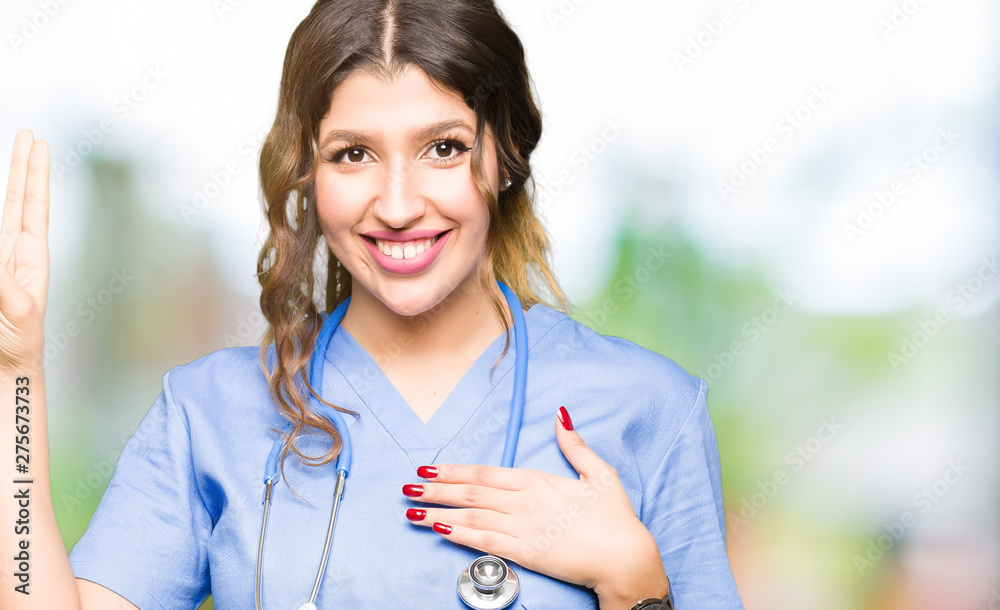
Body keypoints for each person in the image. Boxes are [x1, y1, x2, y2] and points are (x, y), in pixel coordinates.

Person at [0, 0, 744, 608]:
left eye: (444, 148)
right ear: (307, 172)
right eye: (353, 153)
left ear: (506, 153)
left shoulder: (650, 408)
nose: (396, 205)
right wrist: (15, 377)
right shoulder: (208, 413)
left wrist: (636, 584)